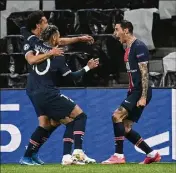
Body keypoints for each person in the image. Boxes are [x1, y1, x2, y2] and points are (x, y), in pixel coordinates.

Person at [20, 11, 95, 165]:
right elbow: (32, 60)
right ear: (38, 24)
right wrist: (87, 68)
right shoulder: (30, 42)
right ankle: (74, 153)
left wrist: (79, 38)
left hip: (34, 90)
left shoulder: (42, 44)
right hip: (45, 91)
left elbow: (57, 42)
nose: (47, 23)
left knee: (48, 124)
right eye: (45, 21)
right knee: (79, 116)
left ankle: (29, 155)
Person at [102, 20, 161, 164]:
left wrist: (143, 96)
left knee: (116, 116)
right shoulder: (127, 48)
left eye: (117, 30)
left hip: (140, 91)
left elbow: (145, 73)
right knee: (126, 129)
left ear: (126, 30)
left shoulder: (139, 47)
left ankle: (119, 156)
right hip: (133, 91)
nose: (115, 33)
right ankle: (152, 154)